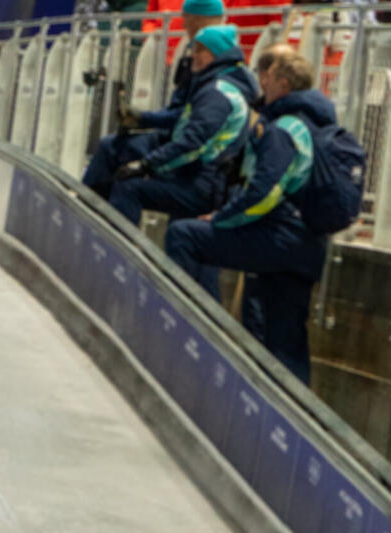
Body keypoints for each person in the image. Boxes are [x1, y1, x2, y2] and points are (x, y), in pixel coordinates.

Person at [164, 52, 332, 383]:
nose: (262, 82)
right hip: (309, 244)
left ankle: (183, 336)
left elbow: (263, 193)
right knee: (286, 336)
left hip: (279, 237)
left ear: (283, 84)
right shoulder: (319, 125)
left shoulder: (284, 129)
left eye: (267, 76)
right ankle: (291, 406)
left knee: (185, 235)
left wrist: (220, 219)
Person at [106, 25, 255, 228]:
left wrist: (146, 164)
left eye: (200, 50)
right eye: (193, 49)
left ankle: (114, 245)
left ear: (217, 54)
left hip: (202, 185)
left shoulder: (217, 94)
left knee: (129, 188)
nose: (193, 55)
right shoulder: (212, 85)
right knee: (118, 154)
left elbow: (192, 144)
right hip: (196, 176)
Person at [82, 0, 225, 198]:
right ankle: (89, 205)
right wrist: (141, 119)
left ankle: (91, 206)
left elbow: (191, 127)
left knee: (126, 179)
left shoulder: (219, 72)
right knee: (111, 146)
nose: (183, 24)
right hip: (175, 137)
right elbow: (180, 110)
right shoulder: (192, 57)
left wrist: (146, 158)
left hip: (192, 155)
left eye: (186, 19)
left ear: (198, 20)